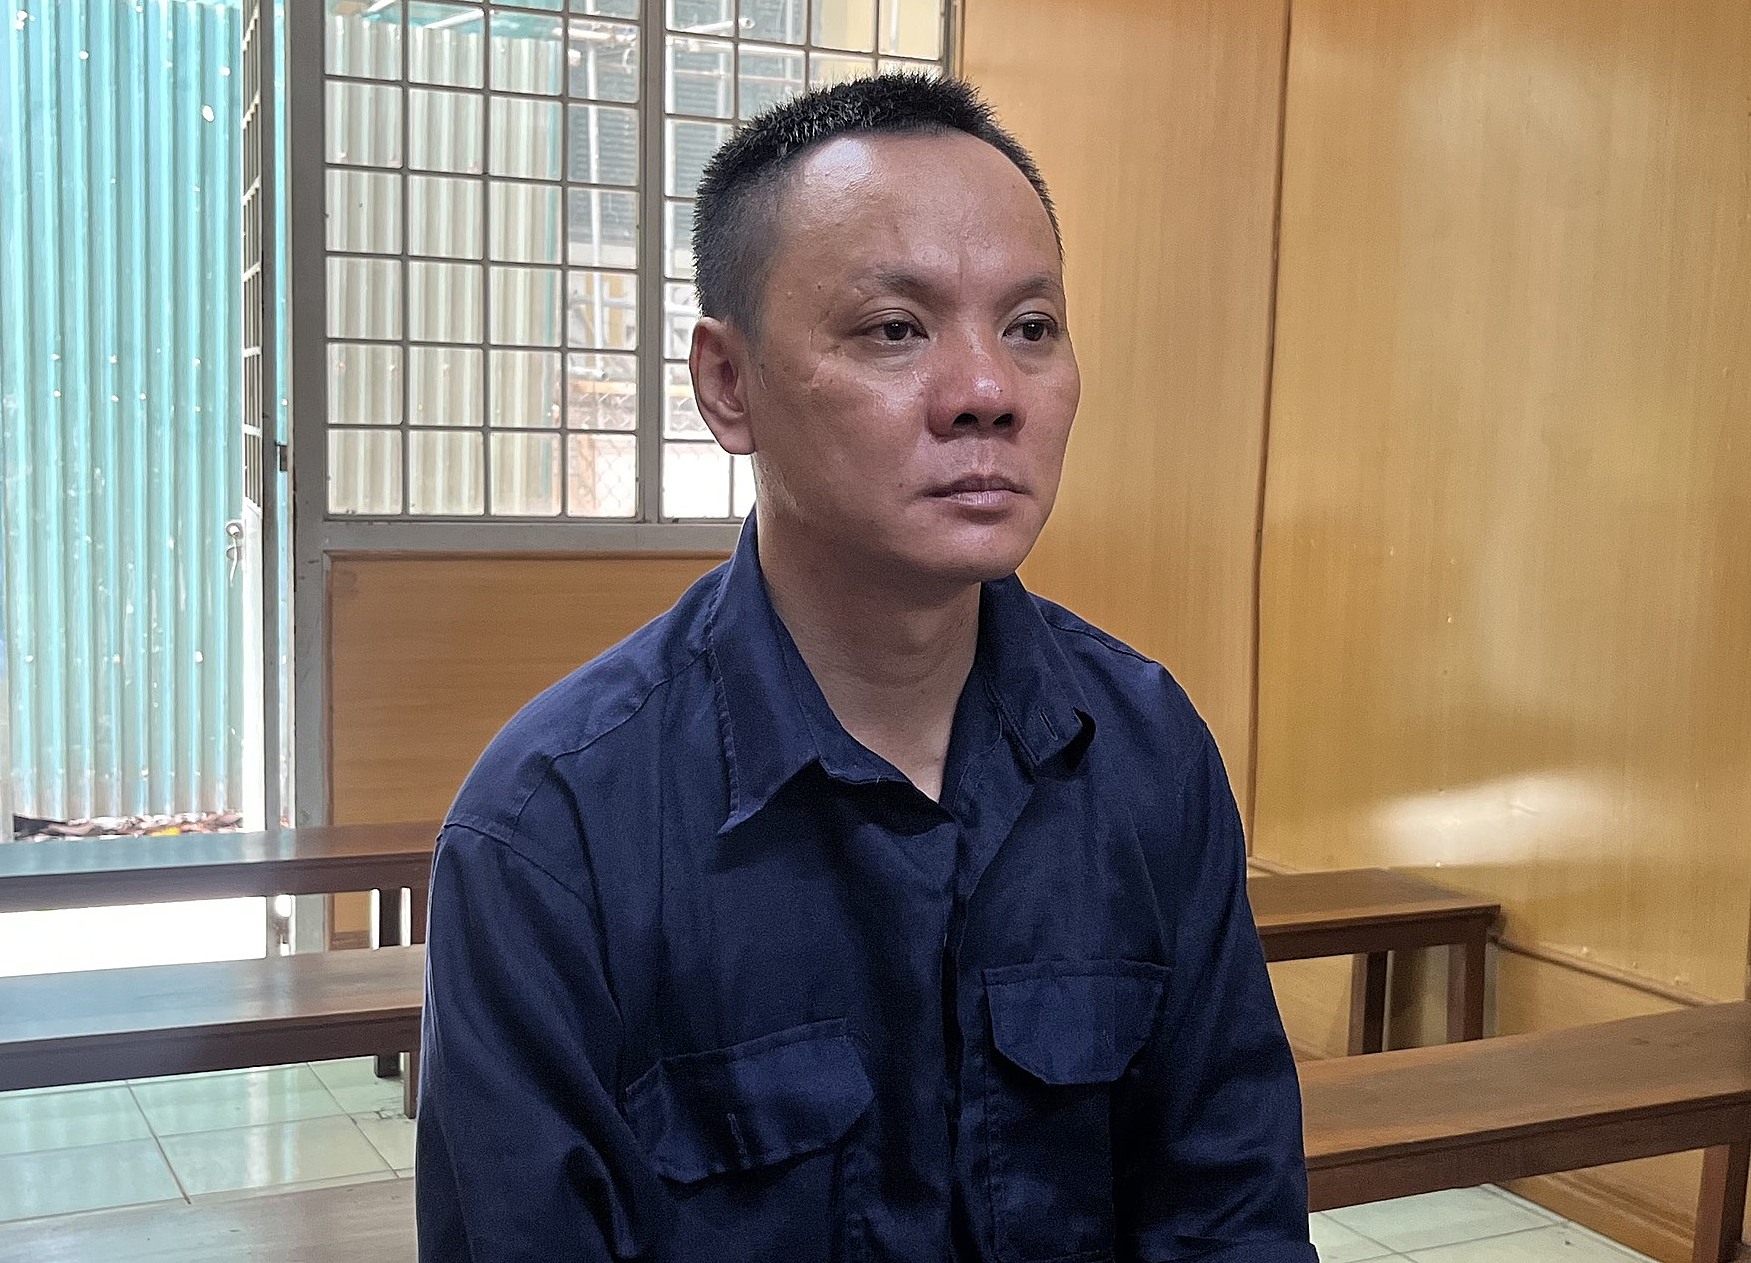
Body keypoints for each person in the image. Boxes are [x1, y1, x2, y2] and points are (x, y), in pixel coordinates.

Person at [416, 73, 1313, 1263]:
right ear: (727, 384)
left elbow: (1229, 1214)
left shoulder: (1143, 748)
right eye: (894, 329)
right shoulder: (550, 827)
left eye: (1029, 328)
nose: (987, 393)